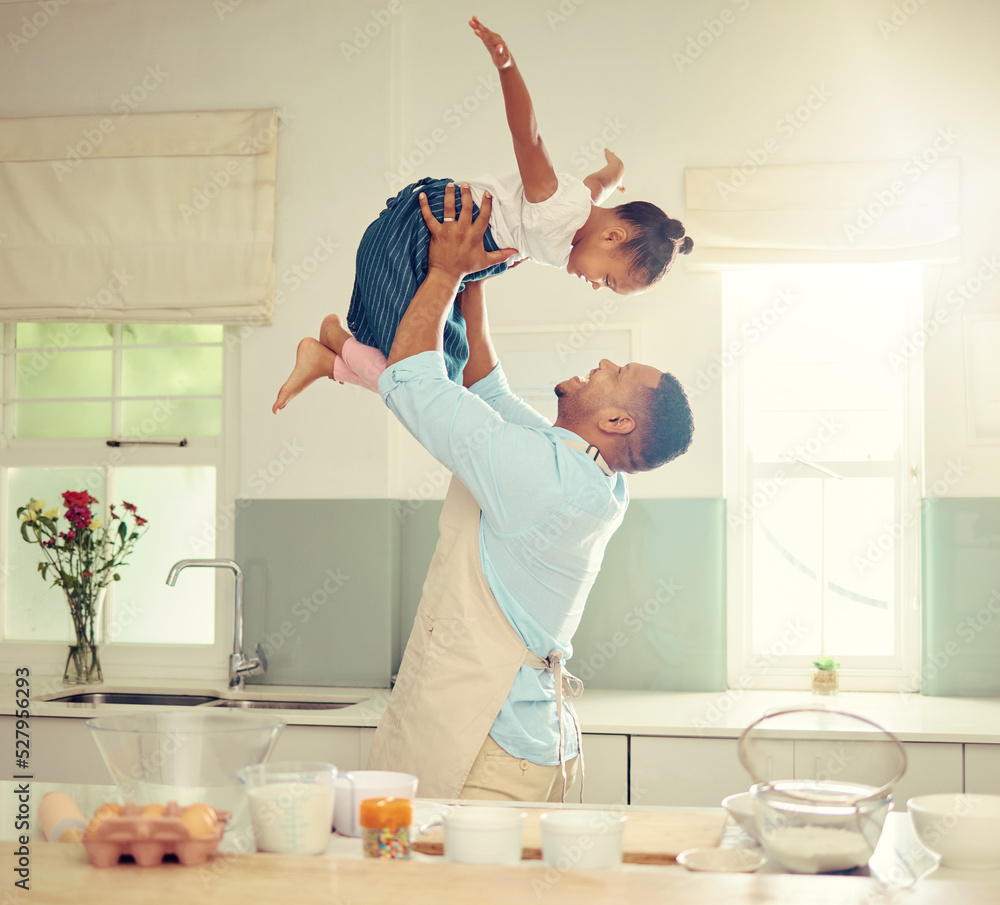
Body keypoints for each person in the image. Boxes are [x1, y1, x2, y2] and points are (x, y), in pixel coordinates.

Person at [364, 182, 695, 802]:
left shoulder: (544, 481)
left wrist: (443, 270)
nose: (602, 362)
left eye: (615, 374)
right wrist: (473, 278)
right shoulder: (588, 476)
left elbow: (411, 380)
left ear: (618, 422)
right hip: (526, 738)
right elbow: (485, 388)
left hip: (484, 746)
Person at [272, 16, 693, 412]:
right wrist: (507, 66)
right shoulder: (555, 207)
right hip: (425, 231)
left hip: (450, 255)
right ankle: (331, 347)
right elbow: (528, 138)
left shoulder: (583, 211)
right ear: (613, 237)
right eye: (609, 279)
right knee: (414, 373)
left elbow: (599, 182)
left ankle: (325, 359)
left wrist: (617, 168)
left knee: (447, 372)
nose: (596, 286)